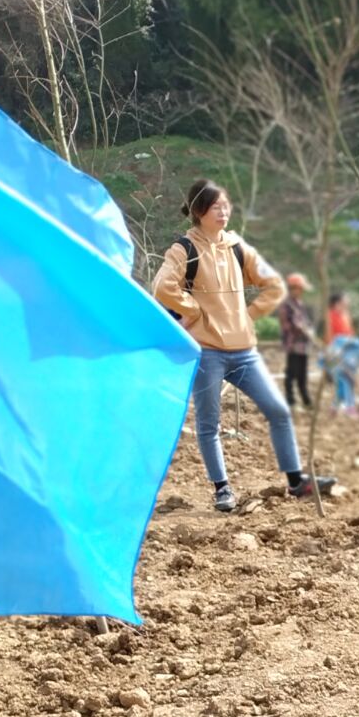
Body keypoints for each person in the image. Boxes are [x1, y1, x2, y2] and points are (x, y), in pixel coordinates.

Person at [150, 180, 333, 512]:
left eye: (226, 205)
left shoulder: (237, 247)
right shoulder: (184, 249)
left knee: (278, 411)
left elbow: (273, 284)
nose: (224, 212)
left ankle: (296, 482)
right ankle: (222, 489)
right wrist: (194, 311)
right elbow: (162, 286)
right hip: (207, 351)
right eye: (216, 207)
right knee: (209, 424)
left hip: (245, 352)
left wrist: (250, 314)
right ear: (199, 211)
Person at [277, 273, 313, 410]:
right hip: (293, 344)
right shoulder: (286, 305)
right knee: (291, 372)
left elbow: (305, 321)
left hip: (303, 345)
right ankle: (290, 400)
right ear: (293, 288)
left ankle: (306, 399)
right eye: (300, 289)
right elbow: (288, 325)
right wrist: (302, 329)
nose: (301, 292)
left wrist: (309, 330)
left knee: (303, 373)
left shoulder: (300, 304)